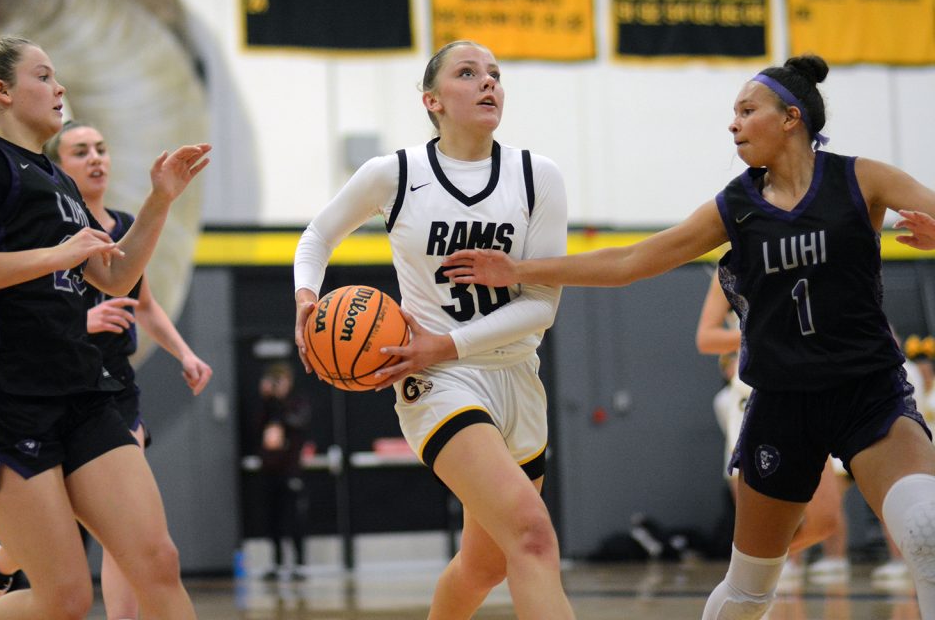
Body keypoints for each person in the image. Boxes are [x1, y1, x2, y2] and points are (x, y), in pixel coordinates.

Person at [443, 54, 935, 619]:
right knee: (749, 591)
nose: (733, 124)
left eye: (747, 111)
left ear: (791, 118)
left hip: (866, 391)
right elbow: (632, 259)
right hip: (781, 403)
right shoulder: (737, 207)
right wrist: (519, 270)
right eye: (734, 113)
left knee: (925, 531)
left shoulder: (861, 178)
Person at [0, 9, 210, 620]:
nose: (60, 89)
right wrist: (53, 255)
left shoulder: (55, 179)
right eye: (45, 76)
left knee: (157, 562)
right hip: (6, 397)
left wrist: (159, 201)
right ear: (3, 91)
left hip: (82, 390)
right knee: (64, 598)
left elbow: (114, 275)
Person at [293, 40, 574, 619]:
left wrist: (444, 341)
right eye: (468, 74)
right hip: (436, 379)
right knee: (533, 536)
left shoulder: (536, 176)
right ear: (433, 99)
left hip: (516, 375)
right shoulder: (394, 174)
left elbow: (542, 306)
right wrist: (306, 297)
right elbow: (318, 237)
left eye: (495, 74)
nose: (488, 83)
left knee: (486, 564)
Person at [696, 271, 846, 582]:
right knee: (762, 522)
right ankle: (750, 578)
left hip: (810, 392)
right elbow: (706, 338)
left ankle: (753, 568)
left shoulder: (811, 252)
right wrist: (761, 330)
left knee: (824, 519)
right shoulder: (732, 269)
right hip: (757, 396)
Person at [256, 361, 311, 582]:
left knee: (294, 517)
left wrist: (279, 400)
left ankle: (299, 564)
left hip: (291, 469)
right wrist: (268, 399)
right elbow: (256, 427)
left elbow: (298, 422)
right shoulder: (266, 406)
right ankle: (276, 563)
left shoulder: (296, 402)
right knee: (272, 518)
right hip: (270, 469)